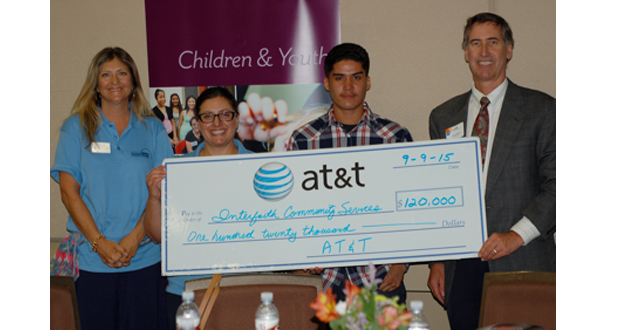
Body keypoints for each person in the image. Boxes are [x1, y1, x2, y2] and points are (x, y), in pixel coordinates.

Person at [426, 13, 556, 329]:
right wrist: (437, 260)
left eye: (493, 42)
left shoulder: (543, 109)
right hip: (461, 267)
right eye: (475, 43)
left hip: (522, 259)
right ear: (466, 53)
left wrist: (516, 235)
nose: (484, 52)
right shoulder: (443, 115)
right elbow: (437, 194)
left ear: (509, 49)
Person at [50, 47, 172, 329]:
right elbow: (69, 193)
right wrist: (99, 243)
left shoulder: (153, 130)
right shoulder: (75, 127)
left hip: (144, 258)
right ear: (96, 83)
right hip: (92, 261)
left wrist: (133, 240)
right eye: (106, 74)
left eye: (122, 73)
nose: (114, 81)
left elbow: (163, 193)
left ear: (133, 82)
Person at [285, 43, 413, 304]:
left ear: (367, 81)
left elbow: (409, 205)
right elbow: (290, 208)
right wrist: (299, 263)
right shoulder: (303, 139)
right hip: (321, 280)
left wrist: (401, 264)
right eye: (339, 78)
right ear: (326, 83)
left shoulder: (395, 137)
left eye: (356, 77)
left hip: (381, 277)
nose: (348, 87)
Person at [143, 87, 253, 330]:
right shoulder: (176, 170)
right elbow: (156, 235)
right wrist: (153, 197)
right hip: (187, 291)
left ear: (237, 119)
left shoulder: (261, 168)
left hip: (247, 287)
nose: (217, 123)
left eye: (225, 114)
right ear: (197, 122)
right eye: (208, 116)